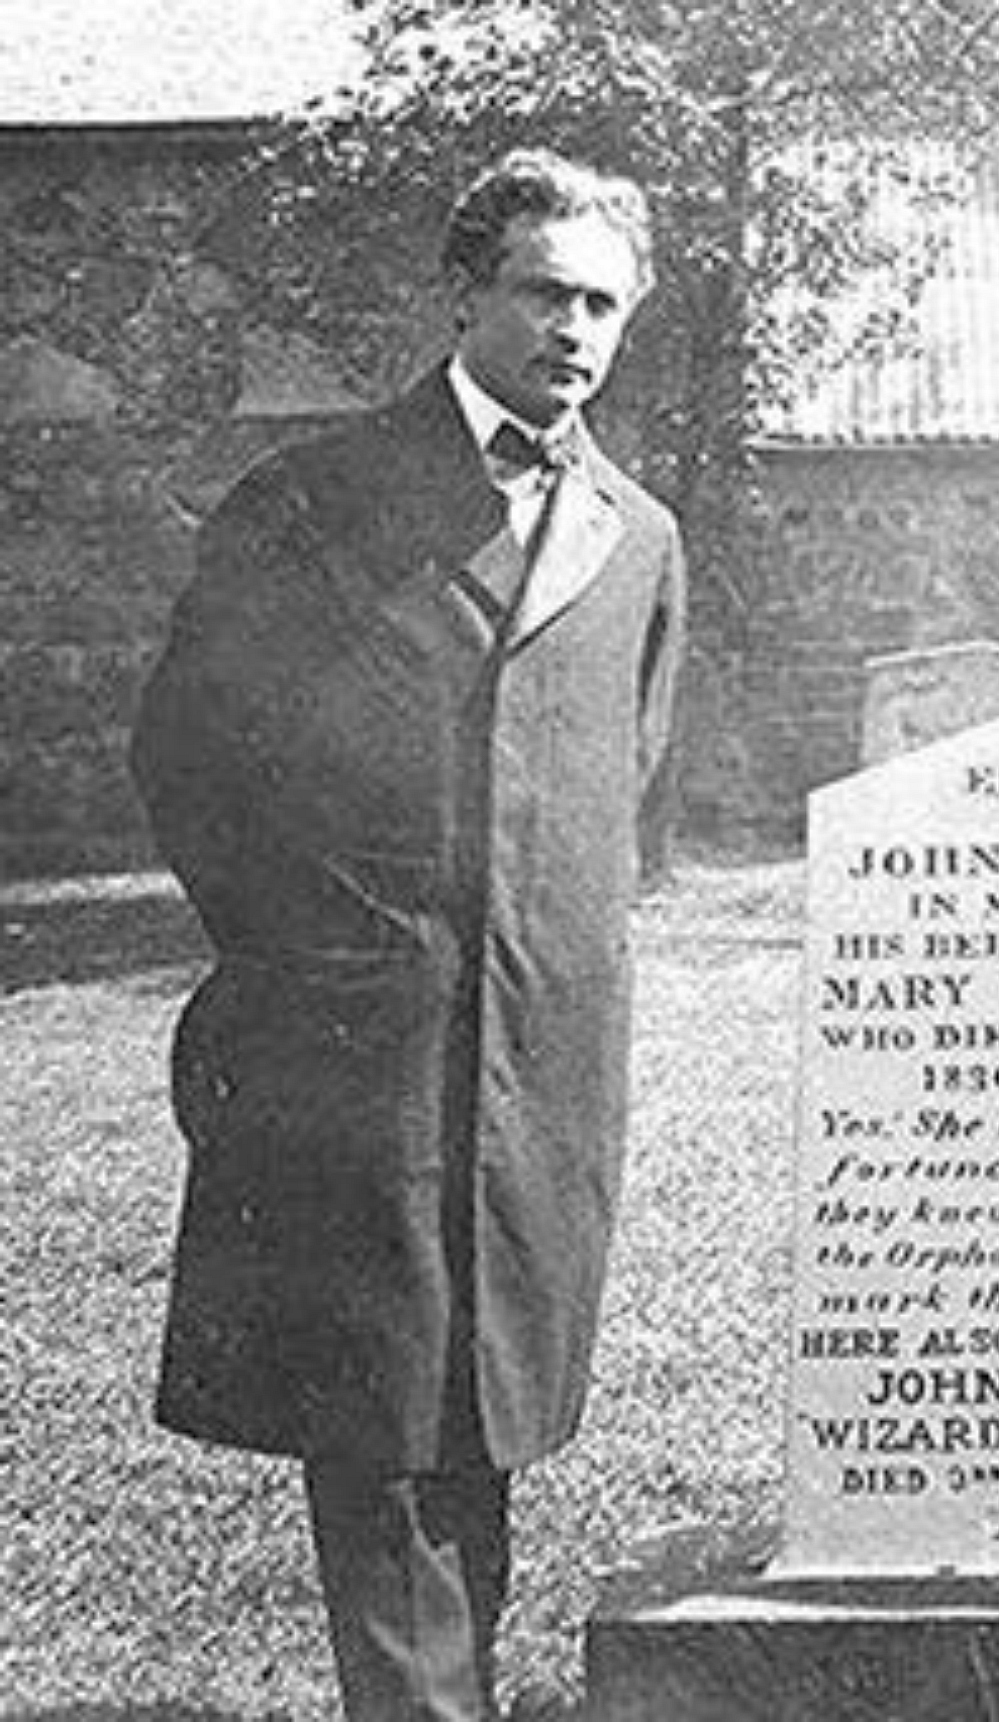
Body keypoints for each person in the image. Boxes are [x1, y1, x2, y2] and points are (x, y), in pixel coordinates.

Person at [130, 148, 685, 1721]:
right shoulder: (314, 502)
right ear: (466, 294)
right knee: (378, 1431)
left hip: (540, 1065)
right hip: (349, 1058)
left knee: (485, 1420)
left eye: (603, 302)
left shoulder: (635, 536)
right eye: (541, 291)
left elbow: (624, 779)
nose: (572, 328)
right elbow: (191, 755)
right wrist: (315, 959)